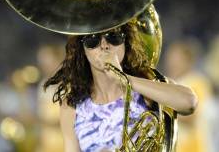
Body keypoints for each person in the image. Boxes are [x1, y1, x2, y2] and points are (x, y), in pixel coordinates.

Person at [44, 23, 198, 152]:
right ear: (82, 49)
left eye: (113, 36)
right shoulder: (71, 105)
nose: (104, 45)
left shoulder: (146, 85)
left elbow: (189, 102)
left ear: (126, 41)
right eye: (92, 40)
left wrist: (125, 80)